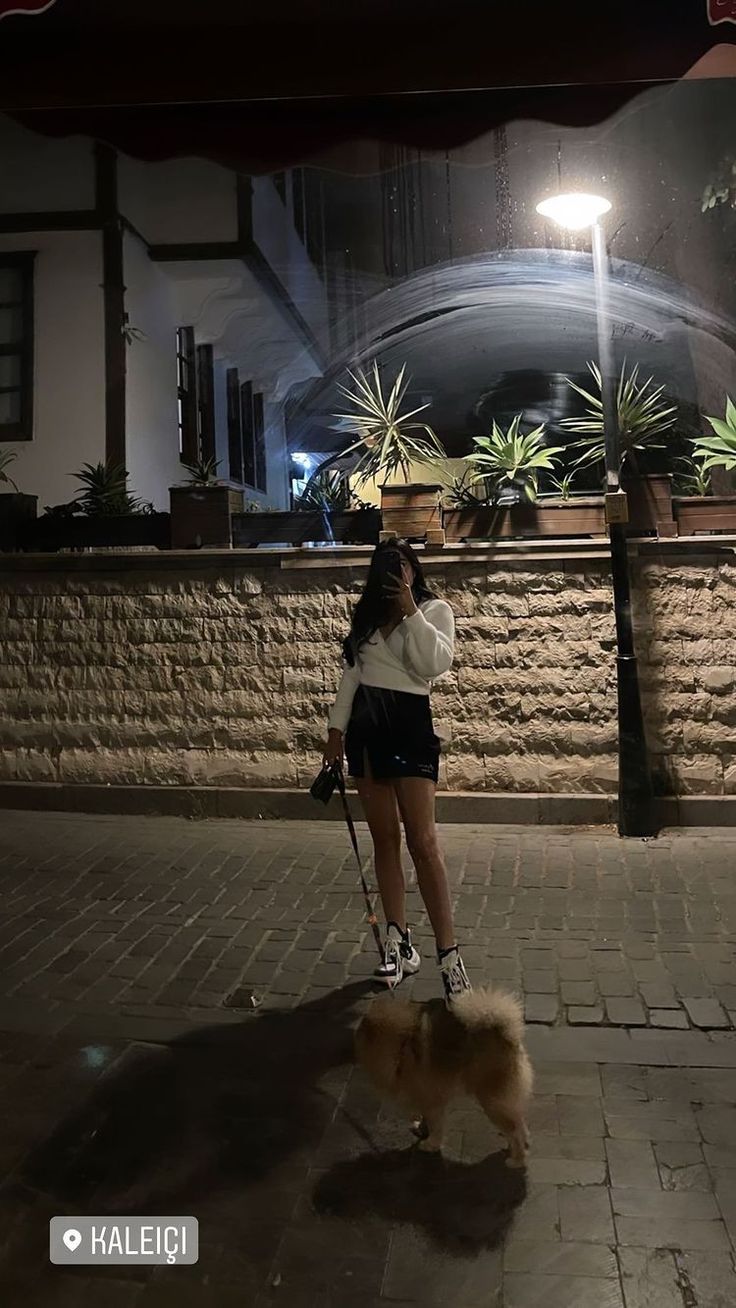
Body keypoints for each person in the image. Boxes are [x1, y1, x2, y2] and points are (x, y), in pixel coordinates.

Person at [323, 537, 471, 1005]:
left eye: (403, 564)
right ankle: (399, 939)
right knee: (384, 838)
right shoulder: (365, 616)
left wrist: (410, 609)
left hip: (409, 726)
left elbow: (433, 665)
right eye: (388, 565)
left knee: (422, 841)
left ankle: (448, 956)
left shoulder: (434, 610)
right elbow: (351, 675)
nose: (396, 572)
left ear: (413, 569)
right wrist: (334, 731)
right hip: (367, 729)